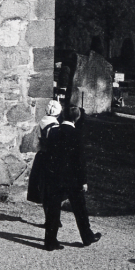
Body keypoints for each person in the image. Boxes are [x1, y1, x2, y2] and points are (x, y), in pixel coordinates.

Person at [42, 105, 101, 251]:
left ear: (62, 115)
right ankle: (87, 236)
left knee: (53, 209)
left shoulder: (53, 132)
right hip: (72, 179)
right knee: (80, 208)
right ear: (77, 117)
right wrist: (83, 180)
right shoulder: (76, 134)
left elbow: (48, 155)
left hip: (55, 176)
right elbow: (80, 161)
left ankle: (50, 241)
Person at [26, 99, 63, 204]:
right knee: (51, 186)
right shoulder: (55, 127)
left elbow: (34, 144)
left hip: (41, 156)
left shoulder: (40, 123)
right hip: (51, 157)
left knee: (42, 185)